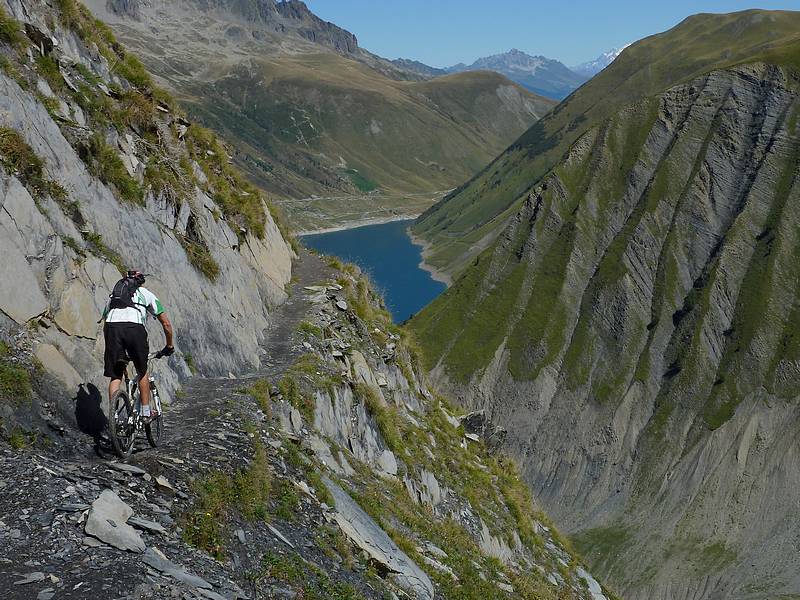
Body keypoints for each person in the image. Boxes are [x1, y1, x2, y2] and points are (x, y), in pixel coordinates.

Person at [101, 270, 174, 420]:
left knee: (116, 375)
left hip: (111, 330)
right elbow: (166, 323)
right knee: (142, 370)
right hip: (134, 329)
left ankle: (113, 418)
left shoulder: (114, 295)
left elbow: (105, 320)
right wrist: (169, 345)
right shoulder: (145, 293)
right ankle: (146, 412)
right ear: (141, 282)